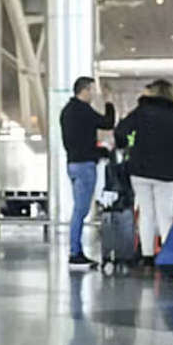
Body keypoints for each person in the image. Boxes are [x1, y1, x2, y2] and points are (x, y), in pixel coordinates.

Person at [114, 81, 173, 258]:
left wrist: (125, 145)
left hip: (139, 170)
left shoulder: (141, 112)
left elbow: (120, 131)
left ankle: (147, 255)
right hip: (167, 172)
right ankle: (169, 255)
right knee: (165, 215)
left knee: (146, 213)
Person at [59, 76, 117, 269]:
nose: (94, 95)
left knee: (79, 208)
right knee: (81, 210)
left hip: (73, 164)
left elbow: (78, 141)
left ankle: (76, 251)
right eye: (92, 90)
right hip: (84, 166)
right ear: (84, 90)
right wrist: (109, 101)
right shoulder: (83, 110)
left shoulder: (67, 111)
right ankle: (75, 253)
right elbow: (107, 122)